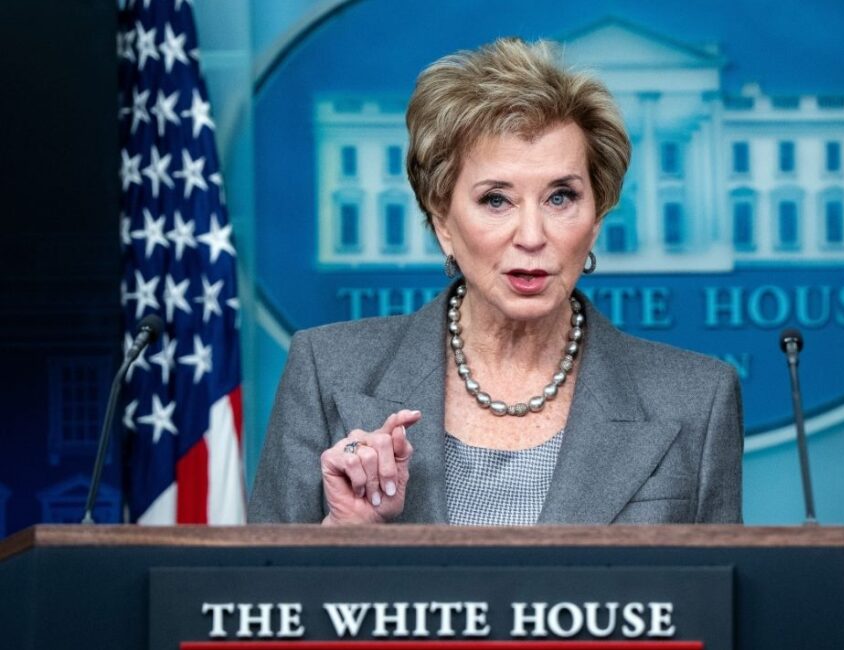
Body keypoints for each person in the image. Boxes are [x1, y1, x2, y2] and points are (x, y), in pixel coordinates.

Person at [249, 38, 743, 525]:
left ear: (596, 217)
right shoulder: (326, 372)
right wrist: (347, 534)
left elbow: (715, 601)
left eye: (560, 197)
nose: (532, 236)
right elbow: (262, 600)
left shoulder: (698, 398)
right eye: (496, 200)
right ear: (442, 220)